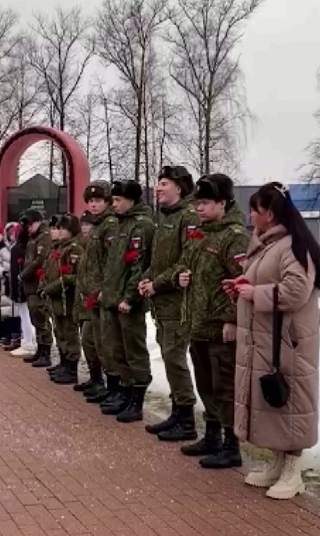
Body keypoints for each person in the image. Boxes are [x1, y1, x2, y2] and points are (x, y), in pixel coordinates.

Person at [232, 181, 320, 500]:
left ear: (269, 214)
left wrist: (254, 292)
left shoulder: (292, 247)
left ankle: (293, 470)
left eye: (254, 210)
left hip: (289, 342)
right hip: (270, 339)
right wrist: (244, 284)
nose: (250, 216)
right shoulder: (269, 244)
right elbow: (268, 281)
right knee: (275, 402)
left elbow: (296, 292)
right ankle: (277, 462)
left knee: (292, 402)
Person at [174, 174, 249, 469]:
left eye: (205, 203)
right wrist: (181, 276)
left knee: (225, 388)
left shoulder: (234, 237)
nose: (199, 209)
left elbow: (244, 282)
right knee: (205, 384)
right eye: (197, 204)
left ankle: (232, 445)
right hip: (199, 324)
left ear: (223, 203)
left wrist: (233, 319)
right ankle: (212, 435)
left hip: (221, 329)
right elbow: (187, 264)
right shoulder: (200, 234)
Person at [138, 166, 200, 441]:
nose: (158, 187)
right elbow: (156, 259)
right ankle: (177, 414)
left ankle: (186, 420)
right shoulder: (164, 219)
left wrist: (157, 283)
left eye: (164, 183)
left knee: (175, 360)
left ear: (180, 188)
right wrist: (146, 278)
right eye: (158, 183)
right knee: (169, 358)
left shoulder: (188, 217)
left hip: (178, 303)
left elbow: (186, 261)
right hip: (162, 304)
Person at [100, 180, 155, 422]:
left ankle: (137, 399)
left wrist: (129, 297)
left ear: (131, 201)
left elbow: (139, 265)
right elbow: (114, 265)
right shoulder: (122, 224)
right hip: (114, 300)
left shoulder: (141, 226)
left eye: (118, 200)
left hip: (128, 303)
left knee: (134, 352)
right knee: (118, 350)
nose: (114, 204)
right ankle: (124, 393)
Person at [80, 181, 118, 403]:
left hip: (103, 294)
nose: (94, 205)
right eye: (91, 201)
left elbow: (111, 263)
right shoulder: (97, 226)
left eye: (98, 201)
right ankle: (98, 381)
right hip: (92, 294)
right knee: (92, 340)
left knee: (106, 344)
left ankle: (112, 387)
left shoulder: (110, 225)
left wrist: (104, 289)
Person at [41, 214, 85, 385]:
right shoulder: (57, 249)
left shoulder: (74, 248)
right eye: (57, 229)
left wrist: (53, 287)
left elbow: (73, 276)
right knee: (60, 332)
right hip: (56, 299)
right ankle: (63, 362)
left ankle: (71, 367)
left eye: (62, 229)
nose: (58, 232)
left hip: (67, 299)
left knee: (69, 333)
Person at [18, 210, 53, 366]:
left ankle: (46, 351)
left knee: (41, 318)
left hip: (38, 284)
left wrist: (24, 274)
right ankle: (40, 349)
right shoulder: (33, 238)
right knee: (35, 318)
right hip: (31, 285)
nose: (28, 228)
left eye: (31, 224)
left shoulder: (44, 237)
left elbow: (39, 260)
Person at [72, 211, 102, 394]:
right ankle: (94, 377)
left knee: (91, 341)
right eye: (82, 225)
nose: (84, 228)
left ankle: (99, 380)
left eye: (88, 225)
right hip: (82, 300)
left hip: (93, 300)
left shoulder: (94, 246)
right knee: (87, 342)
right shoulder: (82, 246)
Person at [8, 223, 35, 356]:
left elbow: (15, 271)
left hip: (21, 287)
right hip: (29, 286)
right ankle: (28, 340)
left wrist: (14, 290)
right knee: (27, 314)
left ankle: (29, 341)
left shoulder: (17, 249)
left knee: (25, 315)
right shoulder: (30, 246)